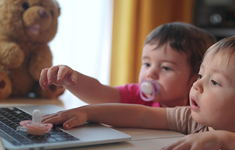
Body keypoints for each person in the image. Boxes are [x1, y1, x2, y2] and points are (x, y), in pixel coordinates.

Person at [42, 35, 235, 150]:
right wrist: (88, 113)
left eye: (215, 82)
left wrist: (222, 139)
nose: (196, 84)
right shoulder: (193, 118)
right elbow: (141, 114)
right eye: (201, 75)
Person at [40, 22, 216, 107]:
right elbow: (101, 94)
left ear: (194, 81)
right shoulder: (138, 96)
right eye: (146, 64)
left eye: (165, 68)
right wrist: (71, 78)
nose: (150, 74)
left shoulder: (202, 111)